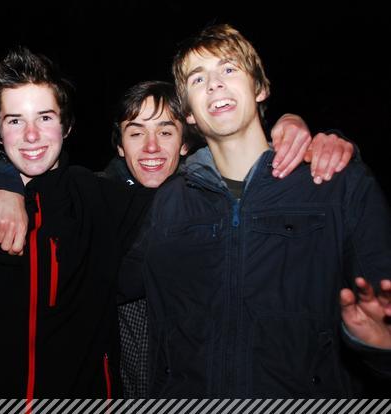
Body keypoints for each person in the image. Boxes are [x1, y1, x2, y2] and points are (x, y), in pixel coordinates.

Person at [0, 50, 355, 397]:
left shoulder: (105, 199)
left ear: (67, 127)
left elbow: (214, 180)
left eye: (45, 118)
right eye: (14, 121)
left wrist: (292, 130)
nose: (31, 135)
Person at [119, 23, 391, 397]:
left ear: (260, 88)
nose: (214, 84)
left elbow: (379, 315)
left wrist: (378, 347)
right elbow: (102, 287)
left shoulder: (338, 185)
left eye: (229, 69)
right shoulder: (169, 203)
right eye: (198, 78)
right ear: (190, 114)